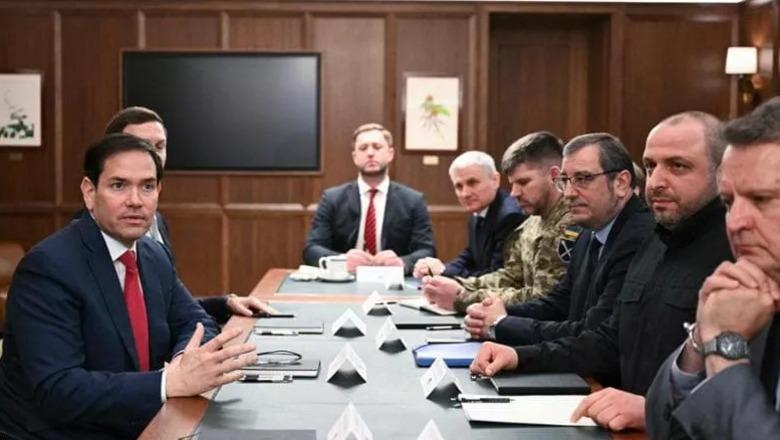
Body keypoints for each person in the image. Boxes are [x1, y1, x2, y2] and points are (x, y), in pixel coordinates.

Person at [471, 112, 732, 432]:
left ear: (724, 173)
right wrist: (519, 356)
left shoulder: (732, 252)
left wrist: (656, 410)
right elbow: (609, 340)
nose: (656, 181)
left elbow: (746, 395)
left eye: (678, 166)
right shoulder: (656, 240)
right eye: (650, 166)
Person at [0, 134, 257, 439]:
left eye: (147, 186)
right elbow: (58, 389)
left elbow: (195, 320)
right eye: (119, 185)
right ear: (89, 192)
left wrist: (183, 364)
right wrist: (169, 382)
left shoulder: (153, 255)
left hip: (137, 422)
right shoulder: (48, 267)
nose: (135, 200)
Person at [646, 98, 780, 439]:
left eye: (762, 199)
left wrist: (724, 351)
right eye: (729, 202)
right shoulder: (749, 292)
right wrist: (702, 336)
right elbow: (662, 423)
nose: (735, 222)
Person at [464, 133, 654, 344]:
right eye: (564, 181)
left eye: (583, 179)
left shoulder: (639, 238)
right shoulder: (589, 231)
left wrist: (502, 325)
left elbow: (593, 335)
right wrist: (498, 313)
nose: (569, 193)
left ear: (621, 183)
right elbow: (559, 302)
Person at [100, 107, 272, 322]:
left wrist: (224, 304)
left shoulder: (156, 220)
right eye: (142, 145)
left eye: (159, 146)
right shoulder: (92, 230)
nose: (154, 155)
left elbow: (168, 306)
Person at [419, 132, 576, 313]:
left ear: (554, 176)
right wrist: (460, 284)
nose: (514, 193)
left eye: (523, 182)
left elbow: (542, 299)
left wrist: (463, 296)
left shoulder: (570, 224)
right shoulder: (532, 220)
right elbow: (511, 276)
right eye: (513, 184)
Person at [303, 122, 435, 274]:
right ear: (355, 157)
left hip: (393, 280)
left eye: (377, 147)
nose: (370, 153)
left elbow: (427, 250)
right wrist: (341, 261)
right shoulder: (332, 198)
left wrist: (403, 263)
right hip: (345, 279)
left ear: (390, 154)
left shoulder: (413, 200)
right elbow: (311, 248)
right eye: (363, 148)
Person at [412, 151, 525, 279]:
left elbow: (496, 276)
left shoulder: (510, 217)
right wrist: (439, 269)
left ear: (495, 180)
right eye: (459, 186)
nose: (465, 193)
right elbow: (471, 255)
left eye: (472, 183)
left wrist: (444, 271)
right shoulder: (479, 208)